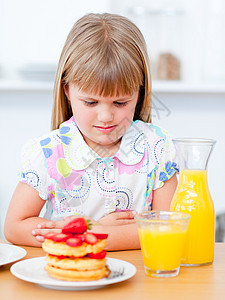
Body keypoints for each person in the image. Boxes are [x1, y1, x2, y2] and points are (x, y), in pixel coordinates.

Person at [4, 13, 178, 249]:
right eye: (90, 102)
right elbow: (15, 227)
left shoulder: (157, 147)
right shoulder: (48, 153)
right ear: (66, 90)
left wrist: (97, 232)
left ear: (140, 92)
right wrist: (89, 230)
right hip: (67, 278)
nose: (106, 117)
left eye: (120, 103)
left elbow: (168, 228)